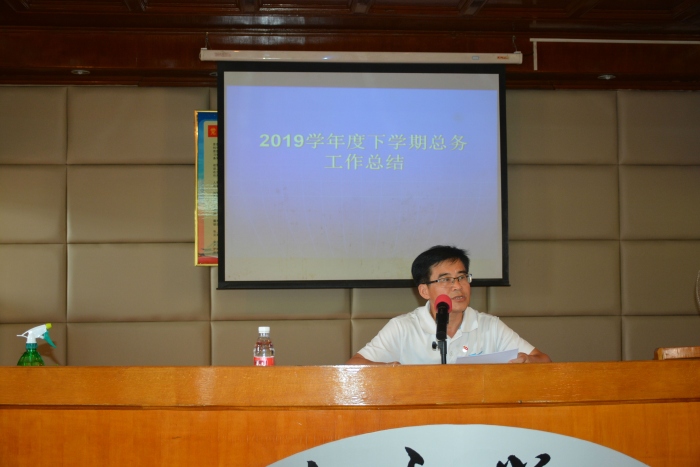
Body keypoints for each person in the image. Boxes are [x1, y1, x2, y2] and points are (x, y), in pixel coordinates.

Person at [346, 245, 551, 365]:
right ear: (424, 291)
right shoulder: (403, 328)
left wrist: (528, 361)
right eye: (445, 280)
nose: (458, 286)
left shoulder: (489, 326)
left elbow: (543, 360)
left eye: (462, 277)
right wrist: (389, 370)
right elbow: (354, 365)